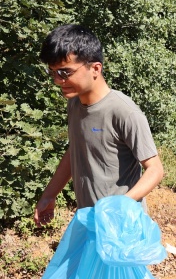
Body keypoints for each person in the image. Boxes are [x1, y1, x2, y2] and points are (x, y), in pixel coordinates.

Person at [34, 24, 164, 226]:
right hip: (90, 220)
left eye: (65, 72)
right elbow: (76, 150)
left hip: (121, 225)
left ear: (95, 68)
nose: (58, 81)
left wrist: (121, 205)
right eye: (53, 73)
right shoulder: (75, 104)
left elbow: (155, 169)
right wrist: (49, 195)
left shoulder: (123, 111)